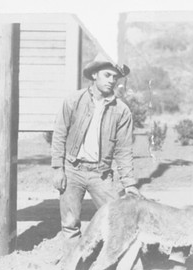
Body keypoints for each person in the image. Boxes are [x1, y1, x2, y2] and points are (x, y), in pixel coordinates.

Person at [51, 53, 141, 246]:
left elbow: (124, 150)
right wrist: (58, 168)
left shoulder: (122, 111)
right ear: (94, 75)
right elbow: (59, 134)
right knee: (69, 223)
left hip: (101, 175)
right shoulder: (74, 100)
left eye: (115, 77)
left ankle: (118, 265)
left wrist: (129, 183)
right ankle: (72, 266)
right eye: (107, 75)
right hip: (73, 170)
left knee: (117, 219)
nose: (112, 81)